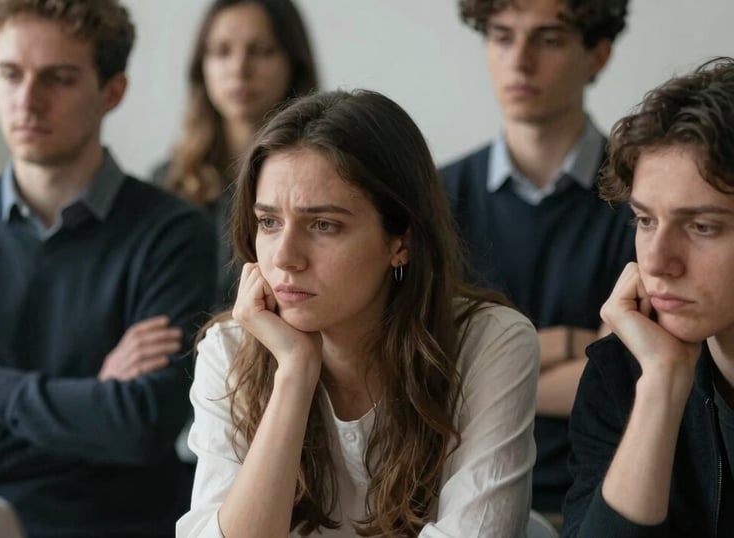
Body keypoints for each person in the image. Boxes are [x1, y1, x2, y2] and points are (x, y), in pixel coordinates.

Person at [176, 89, 540, 537]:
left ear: (400, 242)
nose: (284, 257)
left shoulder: (490, 343)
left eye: (323, 225)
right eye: (269, 222)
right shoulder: (229, 349)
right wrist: (294, 373)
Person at [0, 1, 217, 537]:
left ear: (112, 92)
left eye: (58, 78)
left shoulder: (173, 234)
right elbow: (113, 421)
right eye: (10, 74)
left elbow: (141, 425)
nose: (27, 100)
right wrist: (90, 396)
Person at [440, 0, 634, 519]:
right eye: (502, 36)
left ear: (598, 55)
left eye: (548, 40)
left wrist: (480, 372)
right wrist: (574, 344)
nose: (520, 61)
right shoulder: (436, 197)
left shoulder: (643, 200)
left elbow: (631, 379)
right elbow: (422, 371)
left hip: (597, 501)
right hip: (456, 504)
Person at [562, 56, 734, 537]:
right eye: (645, 220)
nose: (657, 262)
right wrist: (662, 384)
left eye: (702, 226)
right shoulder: (621, 375)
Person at [152, 0, 318, 310]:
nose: (239, 69)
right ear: (201, 67)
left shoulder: (327, 178)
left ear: (293, 63)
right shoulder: (167, 182)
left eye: (261, 51)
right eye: (221, 51)